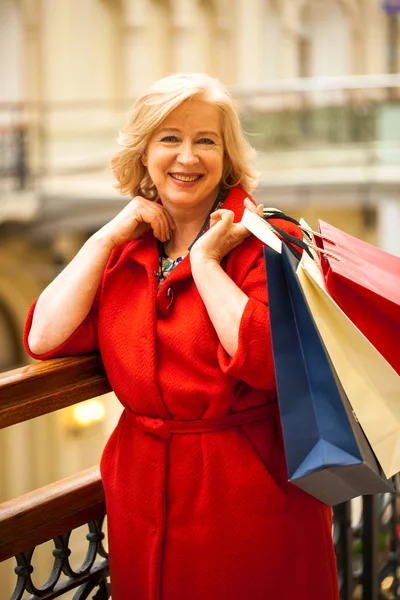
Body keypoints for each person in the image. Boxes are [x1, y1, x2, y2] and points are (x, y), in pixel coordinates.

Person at [24, 73, 339, 600]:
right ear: (143, 153)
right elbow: (43, 337)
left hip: (247, 497)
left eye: (205, 140)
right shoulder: (128, 249)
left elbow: (264, 358)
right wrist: (106, 235)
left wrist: (207, 263)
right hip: (142, 497)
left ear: (227, 156)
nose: (187, 157)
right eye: (169, 138)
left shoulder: (268, 240)